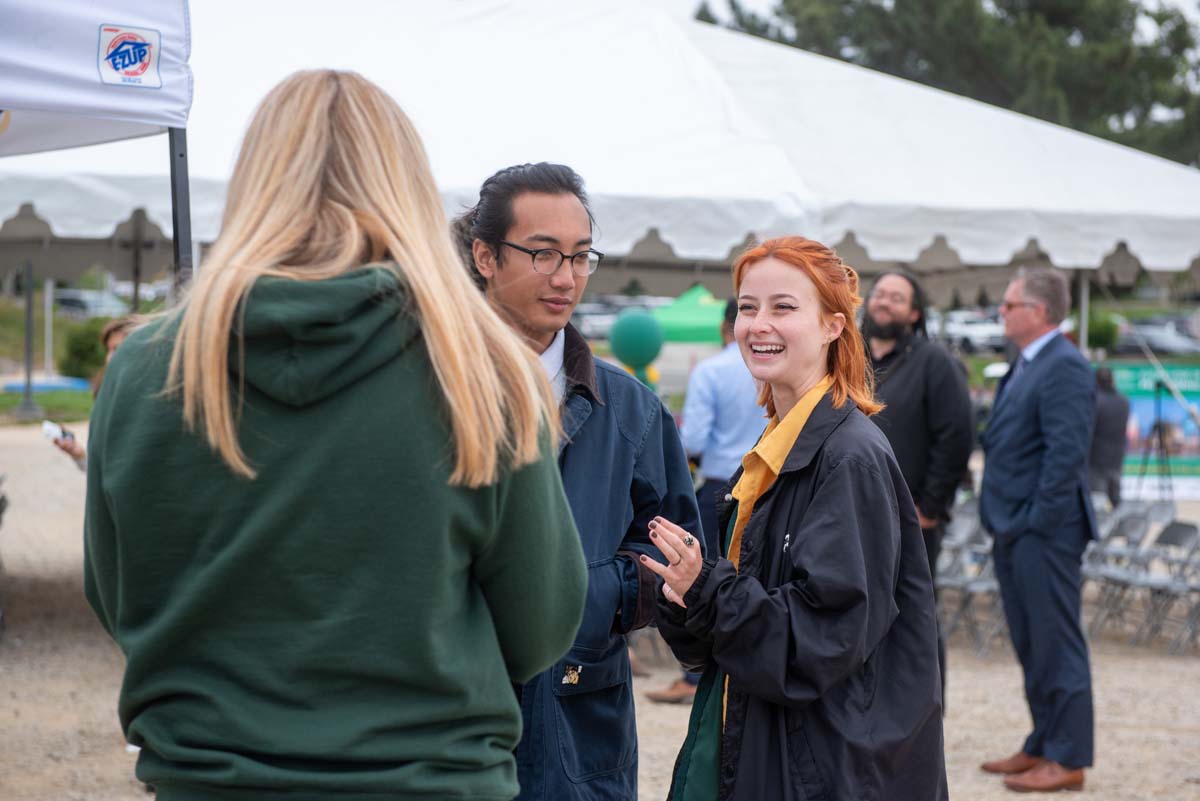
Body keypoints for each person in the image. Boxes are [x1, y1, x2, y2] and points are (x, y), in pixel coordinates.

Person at [84, 71, 587, 801]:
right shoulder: (480, 369)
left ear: (256, 180)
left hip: (211, 778)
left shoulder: (146, 368)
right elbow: (542, 624)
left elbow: (117, 594)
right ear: (406, 188)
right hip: (430, 779)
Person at [648, 236, 946, 801]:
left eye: (783, 307)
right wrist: (683, 594)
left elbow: (821, 642)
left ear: (833, 326)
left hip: (821, 762)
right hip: (761, 736)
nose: (759, 324)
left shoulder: (849, 457)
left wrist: (708, 590)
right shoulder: (777, 446)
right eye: (748, 307)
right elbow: (732, 641)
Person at [457, 162, 700, 801]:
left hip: (576, 717)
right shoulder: (426, 388)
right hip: (445, 714)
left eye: (580, 256)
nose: (565, 277)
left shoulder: (632, 410)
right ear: (485, 255)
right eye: (542, 254)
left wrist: (589, 596)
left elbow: (673, 544)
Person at [979, 268, 1096, 793]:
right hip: (1014, 527)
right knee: (1032, 642)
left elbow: (1065, 455)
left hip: (1044, 531)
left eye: (1010, 305)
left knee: (1056, 642)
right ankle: (1043, 740)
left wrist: (1035, 522)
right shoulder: (1027, 362)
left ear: (1040, 311)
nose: (1002, 313)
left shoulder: (1064, 365)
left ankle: (1068, 757)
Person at [646, 299, 763, 705]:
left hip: (722, 484)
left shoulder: (712, 371)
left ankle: (695, 675)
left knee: (702, 577)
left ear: (723, 328)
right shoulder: (775, 368)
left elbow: (693, 439)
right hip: (770, 480)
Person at [863, 270, 973, 702]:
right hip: (855, 511)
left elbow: (957, 436)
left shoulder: (935, 363)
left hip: (912, 518)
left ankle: (925, 710)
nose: (883, 302)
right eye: (879, 294)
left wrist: (930, 507)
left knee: (915, 615)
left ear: (913, 313)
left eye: (896, 297)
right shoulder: (849, 357)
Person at [52, 315, 142, 470]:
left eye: (117, 349)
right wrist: (79, 454)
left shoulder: (146, 401)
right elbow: (105, 468)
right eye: (109, 350)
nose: (109, 358)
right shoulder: (107, 392)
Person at [1089, 366, 1130, 508]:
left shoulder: (1095, 401)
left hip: (1096, 460)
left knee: (1097, 502)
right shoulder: (1124, 401)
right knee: (1116, 501)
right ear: (1112, 380)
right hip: (1117, 458)